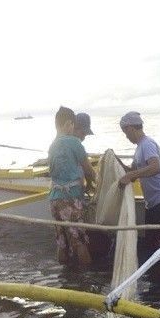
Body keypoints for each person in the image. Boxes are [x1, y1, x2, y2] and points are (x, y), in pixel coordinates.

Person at [117, 111, 160, 252]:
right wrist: (116, 162)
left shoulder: (147, 144)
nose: (126, 136)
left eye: (125, 132)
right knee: (152, 244)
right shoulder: (138, 149)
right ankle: (159, 272)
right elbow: (132, 174)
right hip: (151, 204)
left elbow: (155, 167)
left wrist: (130, 175)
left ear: (131, 128)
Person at [48, 106, 96, 266]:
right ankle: (87, 281)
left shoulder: (52, 145)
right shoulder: (74, 142)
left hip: (54, 198)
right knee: (79, 240)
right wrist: (99, 182)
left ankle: (66, 277)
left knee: (62, 241)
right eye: (73, 126)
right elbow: (89, 170)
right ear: (69, 124)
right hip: (70, 200)